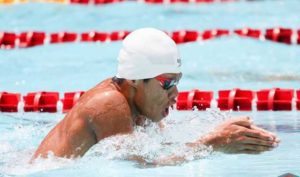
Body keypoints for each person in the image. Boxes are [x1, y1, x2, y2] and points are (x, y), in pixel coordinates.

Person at [32, 28, 280, 165]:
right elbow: (140, 168)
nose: (176, 94)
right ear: (135, 80)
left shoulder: (139, 105)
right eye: (167, 83)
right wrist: (213, 143)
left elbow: (157, 153)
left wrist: (225, 136)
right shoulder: (109, 104)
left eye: (177, 82)